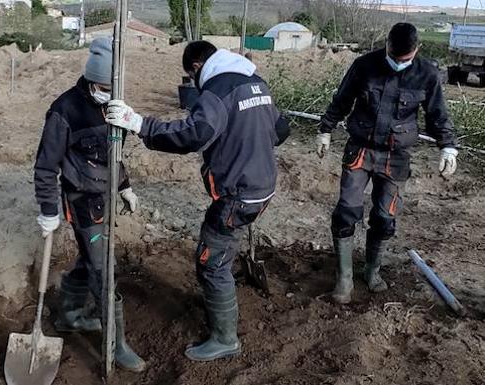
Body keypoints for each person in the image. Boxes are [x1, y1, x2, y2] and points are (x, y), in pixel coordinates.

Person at [105, 41, 290, 362]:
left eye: (190, 78)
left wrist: (138, 123)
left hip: (238, 195)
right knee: (222, 242)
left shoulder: (216, 91)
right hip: (264, 186)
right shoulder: (255, 82)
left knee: (211, 259)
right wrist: (245, 142)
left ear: (195, 67)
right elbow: (281, 129)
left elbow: (194, 134)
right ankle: (222, 307)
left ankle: (225, 338)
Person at [316, 23, 458, 304]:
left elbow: (437, 113)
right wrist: (325, 129)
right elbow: (342, 99)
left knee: (384, 216)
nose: (398, 63)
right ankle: (344, 278)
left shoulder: (426, 74)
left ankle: (372, 269)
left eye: (405, 59)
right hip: (361, 149)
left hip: (396, 156)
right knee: (347, 210)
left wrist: (448, 147)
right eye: (394, 56)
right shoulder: (364, 66)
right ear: (387, 45)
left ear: (416, 51)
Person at [33, 37, 145, 372]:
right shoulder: (65, 110)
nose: (108, 92)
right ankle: (117, 345)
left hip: (105, 194)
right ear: (91, 80)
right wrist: (49, 210)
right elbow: (44, 166)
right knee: (103, 269)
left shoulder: (115, 103)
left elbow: (113, 152)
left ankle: (68, 314)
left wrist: (124, 186)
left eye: (113, 87)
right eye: (103, 87)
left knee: (91, 256)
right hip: (81, 200)